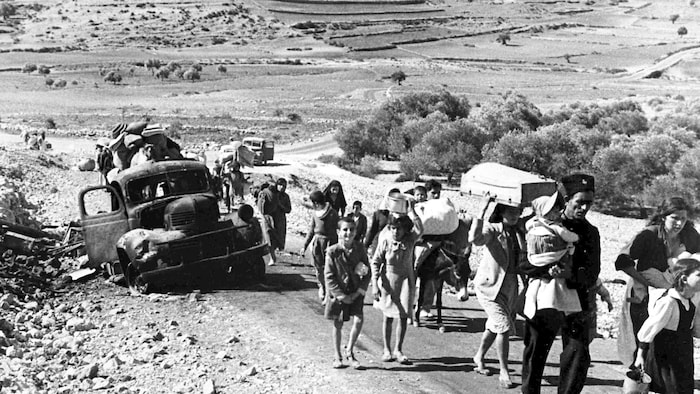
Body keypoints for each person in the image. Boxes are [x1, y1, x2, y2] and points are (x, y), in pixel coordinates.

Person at [520, 173, 600, 394]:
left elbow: (592, 272)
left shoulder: (591, 233)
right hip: (544, 300)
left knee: (578, 354)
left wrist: (570, 274)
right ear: (567, 200)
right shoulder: (543, 223)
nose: (584, 208)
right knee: (535, 351)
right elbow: (524, 263)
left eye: (589, 203)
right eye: (580, 202)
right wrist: (548, 270)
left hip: (577, 303)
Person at [615, 197, 700, 365]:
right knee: (642, 333)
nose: (679, 223)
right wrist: (646, 284)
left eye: (683, 219)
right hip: (643, 288)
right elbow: (623, 261)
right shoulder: (650, 234)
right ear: (663, 217)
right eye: (674, 218)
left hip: (675, 293)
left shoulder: (689, 234)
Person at [469, 196, 526, 389]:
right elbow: (475, 239)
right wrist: (482, 209)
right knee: (503, 327)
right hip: (489, 286)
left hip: (509, 286)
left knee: (494, 325)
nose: (515, 215)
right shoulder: (492, 230)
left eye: (518, 211)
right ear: (501, 212)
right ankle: (504, 371)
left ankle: (479, 357)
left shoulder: (518, 231)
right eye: (511, 211)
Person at [633, 257, 700, 394]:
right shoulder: (669, 302)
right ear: (684, 279)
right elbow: (649, 329)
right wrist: (640, 356)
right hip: (665, 354)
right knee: (670, 387)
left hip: (684, 352)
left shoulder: (691, 301)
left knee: (684, 387)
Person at [371, 203, 423, 365]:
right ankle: (386, 349)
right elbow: (375, 262)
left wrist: (411, 210)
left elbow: (420, 228)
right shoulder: (385, 241)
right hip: (388, 281)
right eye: (393, 228)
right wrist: (374, 284)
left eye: (399, 228)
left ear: (405, 229)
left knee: (402, 316)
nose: (395, 231)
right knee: (388, 316)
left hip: (406, 281)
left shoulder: (410, 239)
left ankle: (398, 349)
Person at [324, 217, 371, 369]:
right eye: (345, 229)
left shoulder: (360, 248)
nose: (348, 233)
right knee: (338, 323)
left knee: (358, 320)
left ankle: (350, 351)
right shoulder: (332, 252)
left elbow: (367, 272)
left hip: (356, 291)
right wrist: (341, 296)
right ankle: (337, 355)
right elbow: (329, 276)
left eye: (352, 229)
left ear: (356, 231)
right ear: (338, 232)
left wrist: (359, 292)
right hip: (340, 293)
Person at [302, 191, 340, 303]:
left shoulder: (333, 213)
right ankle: (322, 286)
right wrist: (305, 245)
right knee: (318, 269)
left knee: (329, 270)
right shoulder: (315, 214)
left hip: (329, 244)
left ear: (316, 203)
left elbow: (338, 229)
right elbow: (311, 231)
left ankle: (328, 294)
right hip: (317, 244)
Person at [416, 179, 443, 319]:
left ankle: (425, 307)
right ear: (427, 193)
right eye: (434, 193)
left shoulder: (442, 207)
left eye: (438, 193)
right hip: (421, 244)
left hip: (437, 244)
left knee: (434, 277)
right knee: (413, 270)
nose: (437, 196)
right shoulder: (419, 207)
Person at [364, 188, 399, 253]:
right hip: (378, 246)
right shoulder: (379, 214)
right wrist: (366, 245)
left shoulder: (402, 215)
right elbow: (373, 230)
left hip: (394, 248)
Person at [258, 179, 281, 263]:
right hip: (267, 218)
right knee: (268, 237)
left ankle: (273, 255)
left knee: (273, 238)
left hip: (275, 218)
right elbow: (262, 208)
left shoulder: (278, 194)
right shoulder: (264, 193)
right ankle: (272, 256)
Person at [276, 178, 292, 253]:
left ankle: (280, 249)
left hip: (281, 218)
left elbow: (288, 209)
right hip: (272, 217)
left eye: (284, 186)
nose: (282, 187)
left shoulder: (286, 196)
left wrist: (281, 206)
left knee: (281, 235)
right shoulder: (272, 194)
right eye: (280, 185)